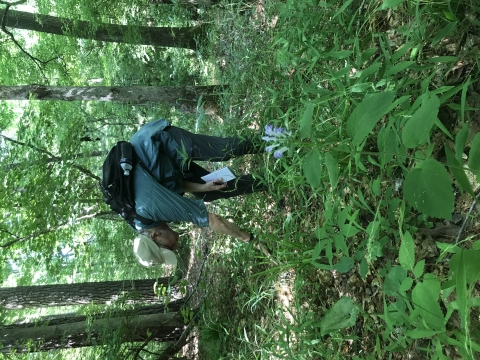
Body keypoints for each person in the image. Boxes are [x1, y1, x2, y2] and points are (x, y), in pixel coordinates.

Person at [130, 119, 267, 249]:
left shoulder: (152, 209)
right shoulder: (143, 222)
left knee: (222, 151)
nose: (175, 246)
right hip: (166, 169)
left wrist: (249, 239)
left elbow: (213, 220)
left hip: (159, 143)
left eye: (169, 247)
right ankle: (267, 181)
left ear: (155, 236)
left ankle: (274, 140)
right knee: (210, 192)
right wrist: (203, 187)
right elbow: (168, 187)